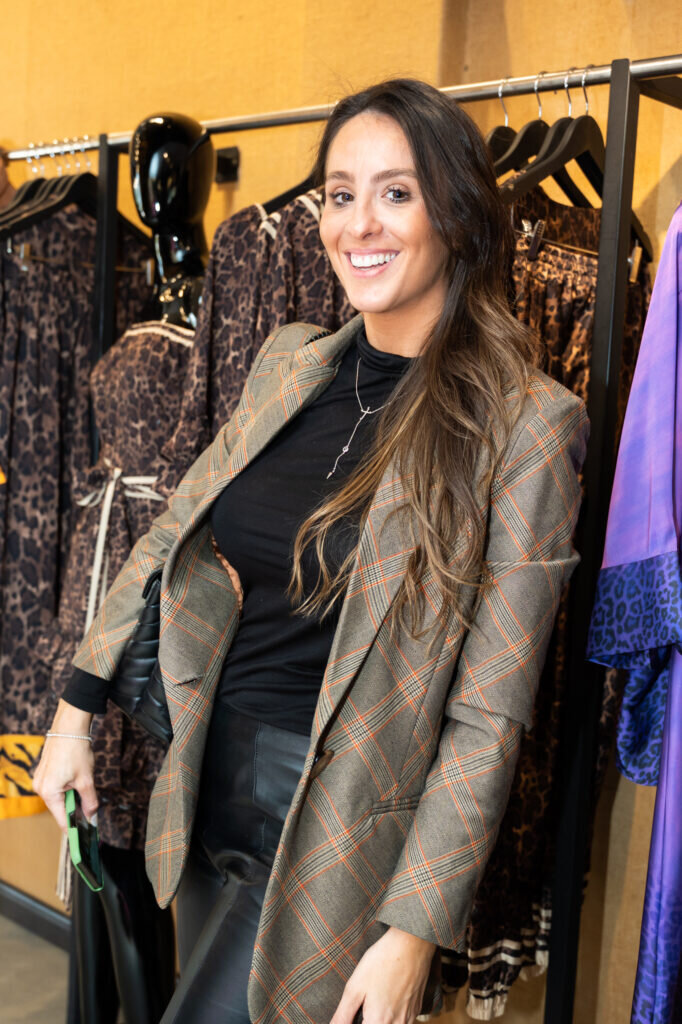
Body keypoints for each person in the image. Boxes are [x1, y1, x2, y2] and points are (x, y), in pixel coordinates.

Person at [34, 78, 589, 1024]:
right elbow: (172, 531)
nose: (357, 224)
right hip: (202, 791)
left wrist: (415, 929)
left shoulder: (527, 426)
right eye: (340, 193)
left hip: (336, 836)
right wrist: (74, 714)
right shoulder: (291, 361)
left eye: (396, 192)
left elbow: (490, 715)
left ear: (456, 210)